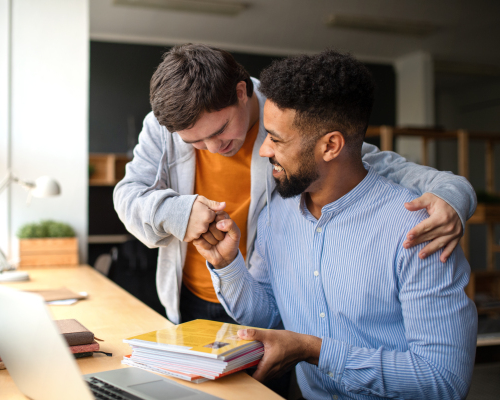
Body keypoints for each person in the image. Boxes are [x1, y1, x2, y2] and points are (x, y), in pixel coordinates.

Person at [113, 44, 476, 325]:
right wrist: (179, 211)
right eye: (194, 142)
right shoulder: (164, 125)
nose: (213, 149)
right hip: (187, 293)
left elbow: (364, 157)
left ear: (242, 92)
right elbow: (128, 195)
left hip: (269, 301)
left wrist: (454, 194)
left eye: (220, 130)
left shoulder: (286, 111)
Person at [193, 51, 477, 399]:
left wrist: (315, 350)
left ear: (331, 145)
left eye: (276, 139)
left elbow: (442, 381)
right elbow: (265, 316)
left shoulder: (418, 230)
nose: (264, 150)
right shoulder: (275, 214)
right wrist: (227, 264)